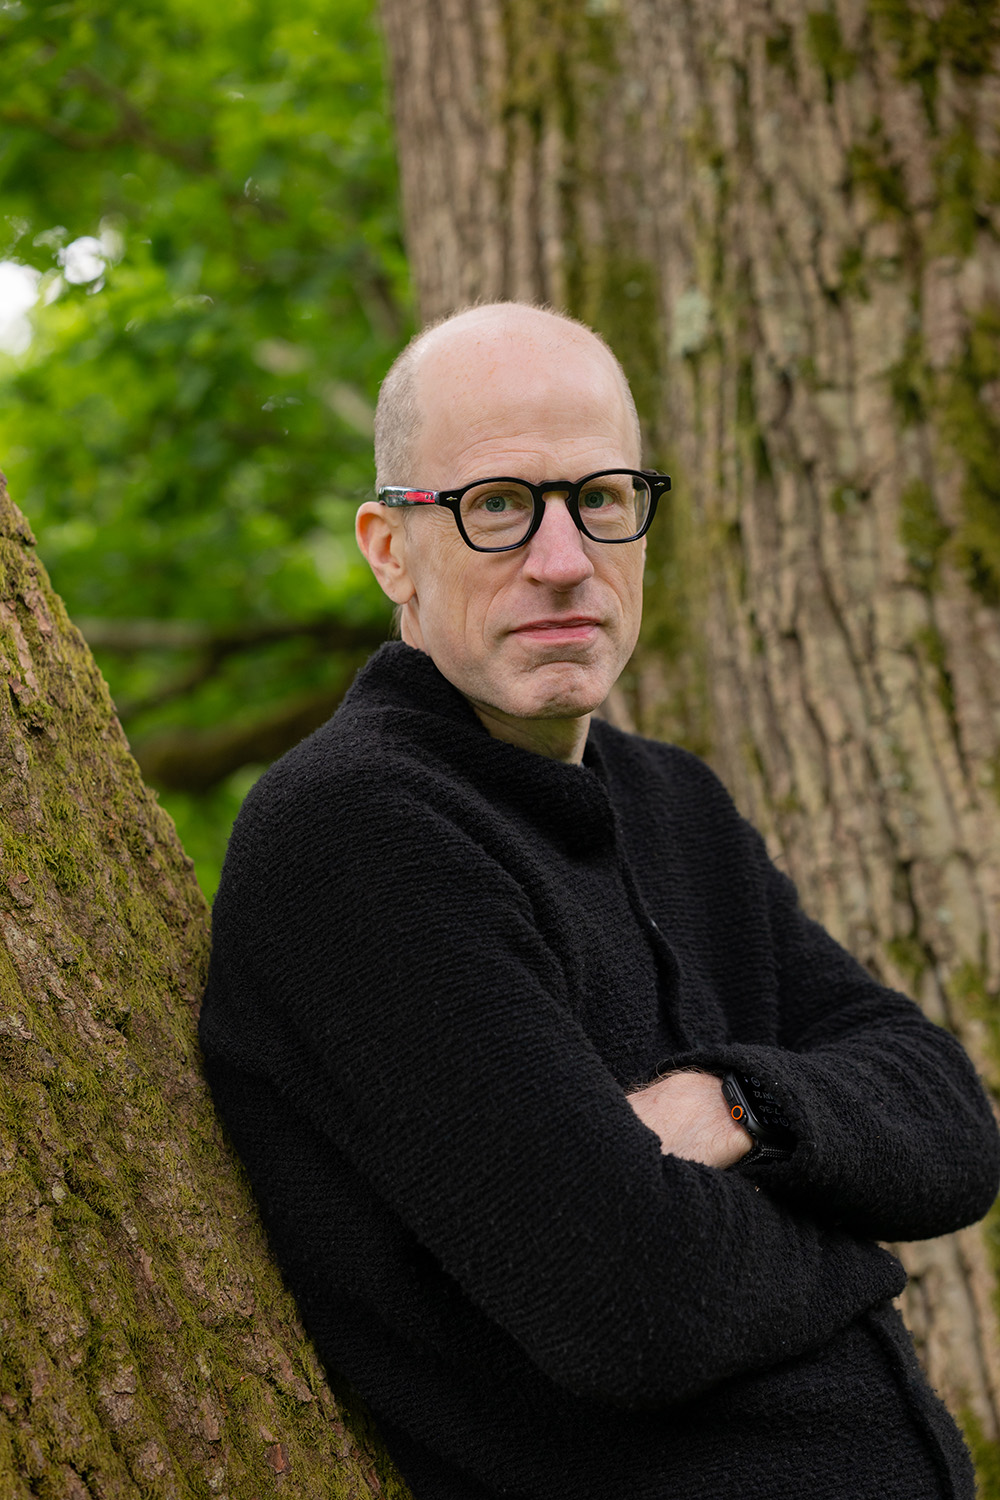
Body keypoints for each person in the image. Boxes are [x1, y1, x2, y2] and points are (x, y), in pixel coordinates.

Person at [199, 302, 1000, 1500]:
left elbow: (953, 1126)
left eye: (602, 498)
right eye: (498, 506)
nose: (563, 558)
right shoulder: (355, 833)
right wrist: (857, 1251)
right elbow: (635, 1303)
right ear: (387, 547)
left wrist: (737, 1101)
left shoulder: (669, 800)